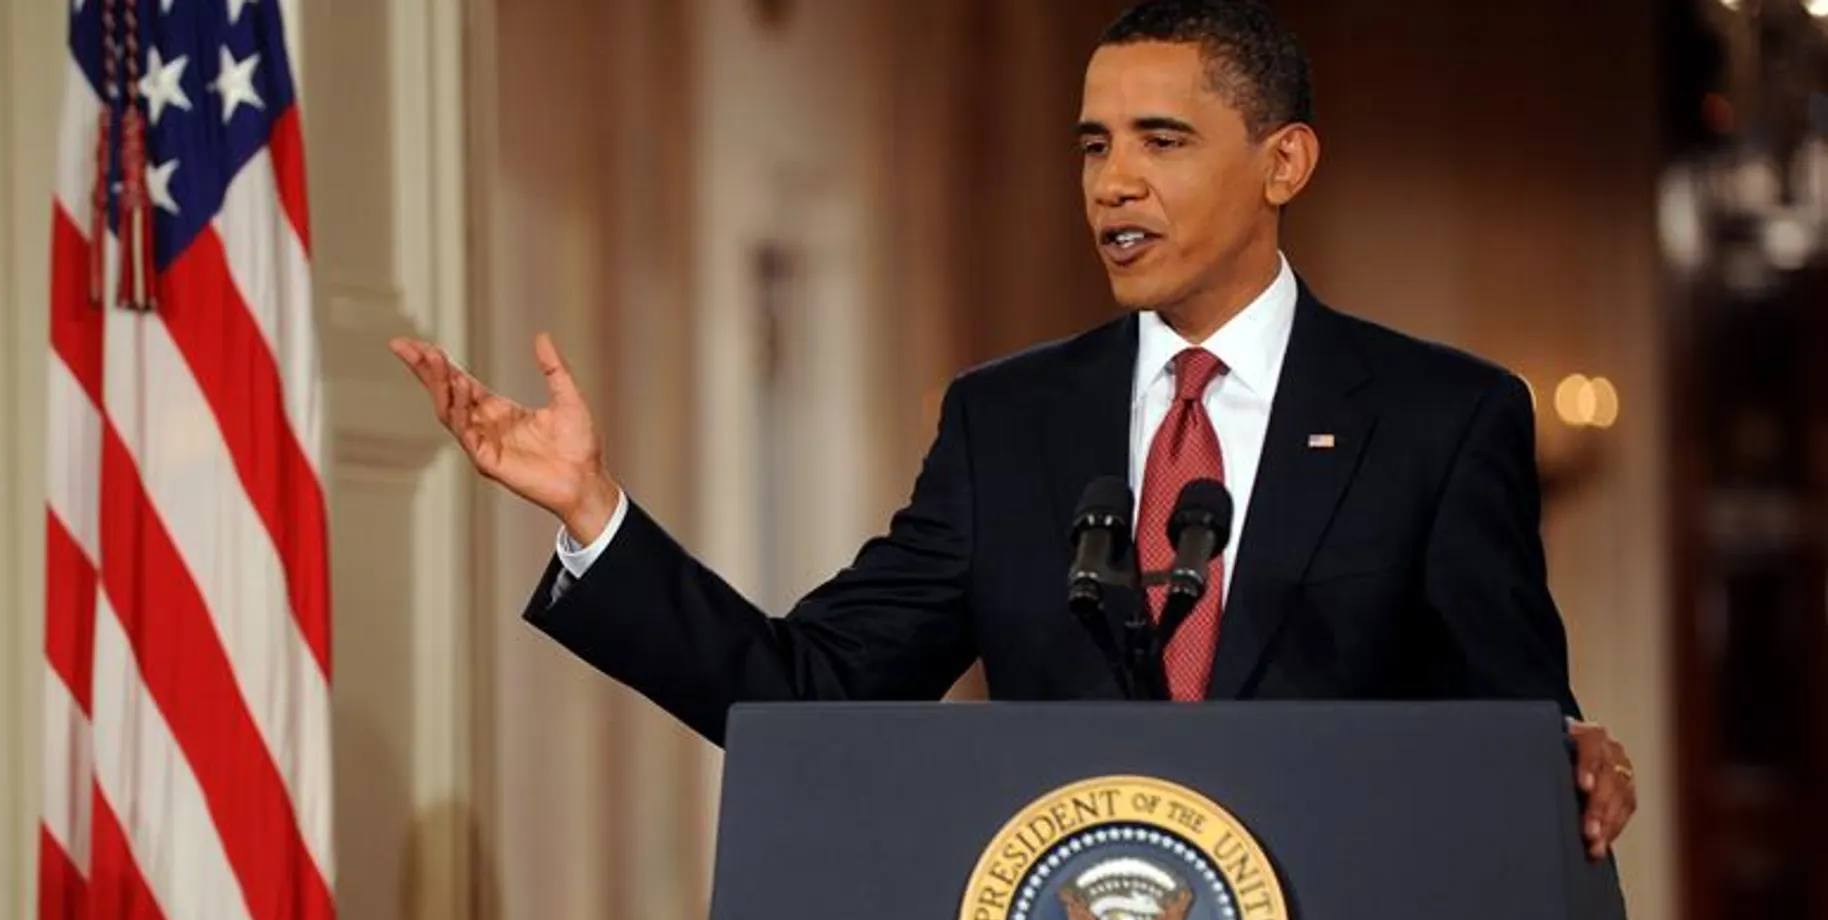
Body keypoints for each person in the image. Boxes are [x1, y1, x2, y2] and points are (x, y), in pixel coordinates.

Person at [387, 0, 1637, 857]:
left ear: (1284, 162)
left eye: (1160, 141)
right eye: (1093, 146)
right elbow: (807, 691)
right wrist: (594, 513)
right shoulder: (1007, 421)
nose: (1112, 183)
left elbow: (1512, 732)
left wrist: (1564, 755)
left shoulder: (1440, 416)